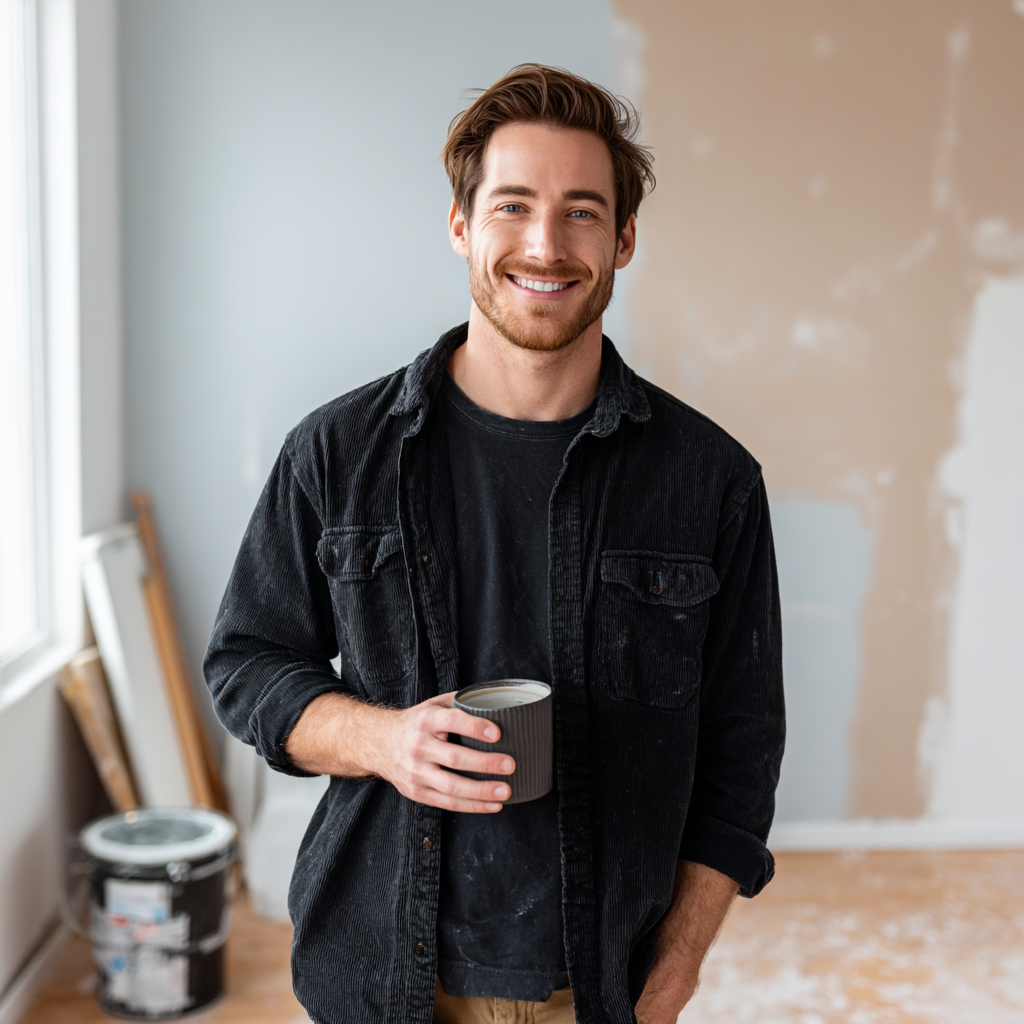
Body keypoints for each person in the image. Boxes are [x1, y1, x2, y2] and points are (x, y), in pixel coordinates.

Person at [205, 64, 784, 1024]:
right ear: (461, 227)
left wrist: (676, 971)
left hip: (601, 985)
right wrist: (384, 739)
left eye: (583, 212)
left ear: (625, 239)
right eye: (513, 205)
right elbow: (247, 665)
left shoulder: (711, 481)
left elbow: (742, 751)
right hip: (382, 975)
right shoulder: (336, 453)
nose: (545, 244)